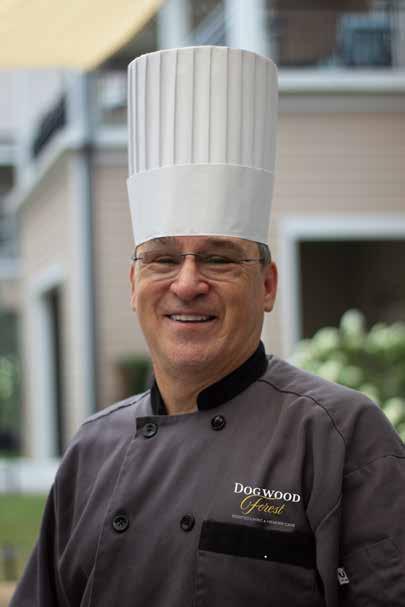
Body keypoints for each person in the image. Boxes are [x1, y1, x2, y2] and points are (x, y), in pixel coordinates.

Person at [11, 46, 405, 607]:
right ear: (134, 284)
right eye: (163, 259)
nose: (188, 282)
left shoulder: (341, 436)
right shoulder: (91, 450)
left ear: (266, 285)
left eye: (218, 258)